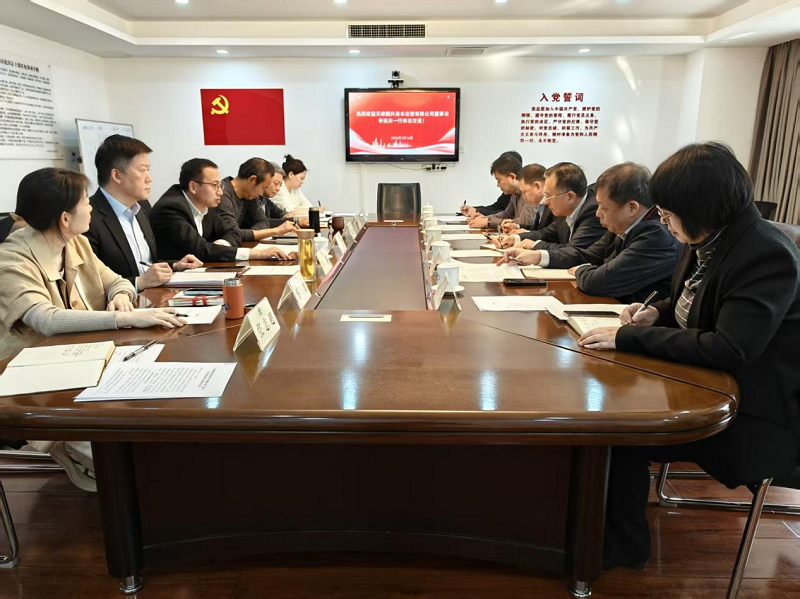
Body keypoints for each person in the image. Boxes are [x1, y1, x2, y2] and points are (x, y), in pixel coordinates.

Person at [576, 143, 800, 570]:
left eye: (667, 212)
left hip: (753, 412)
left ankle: (621, 548)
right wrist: (655, 313)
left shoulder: (764, 253)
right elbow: (695, 304)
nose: (662, 221)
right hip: (705, 383)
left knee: (615, 432)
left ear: (699, 208)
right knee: (609, 406)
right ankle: (591, 524)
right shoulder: (708, 238)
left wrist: (631, 338)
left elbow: (730, 347)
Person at [0, 168, 187, 491]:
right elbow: (46, 319)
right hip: (29, 373)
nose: (91, 208)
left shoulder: (76, 244)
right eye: (85, 202)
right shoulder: (11, 260)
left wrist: (120, 296)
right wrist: (125, 319)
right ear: (64, 218)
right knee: (129, 467)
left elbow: (116, 281)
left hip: (83, 358)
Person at [499, 162, 681, 303]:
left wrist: (583, 269)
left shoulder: (656, 236)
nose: (597, 213)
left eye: (603, 207)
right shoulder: (621, 227)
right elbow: (585, 254)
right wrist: (537, 256)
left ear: (632, 207)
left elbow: (600, 281)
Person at [85, 135, 202, 291]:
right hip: (124, 303)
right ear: (117, 175)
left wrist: (174, 265)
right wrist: (139, 282)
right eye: (142, 170)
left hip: (154, 296)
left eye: (148, 170)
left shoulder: (142, 206)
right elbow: (89, 285)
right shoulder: (88, 217)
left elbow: (145, 263)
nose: (149, 178)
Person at [150, 159, 292, 262]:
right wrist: (256, 254)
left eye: (220, 186)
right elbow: (201, 250)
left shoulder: (205, 205)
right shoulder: (171, 209)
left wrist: (220, 246)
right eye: (215, 185)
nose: (220, 192)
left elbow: (233, 232)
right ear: (193, 187)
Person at [509, 162, 605, 251]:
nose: (546, 201)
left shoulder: (592, 211)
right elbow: (547, 233)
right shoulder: (566, 209)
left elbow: (573, 250)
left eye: (549, 196)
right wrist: (516, 238)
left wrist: (535, 245)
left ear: (570, 197)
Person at [217, 157, 299, 242]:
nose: (261, 194)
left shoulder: (249, 194)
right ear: (252, 180)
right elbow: (232, 233)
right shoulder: (222, 194)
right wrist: (275, 231)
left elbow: (263, 221)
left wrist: (251, 234)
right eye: (263, 188)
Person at [491, 163, 553, 242]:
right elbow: (539, 231)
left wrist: (524, 235)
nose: (523, 197)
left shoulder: (553, 207)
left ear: (537, 186)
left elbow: (550, 236)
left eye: (525, 192)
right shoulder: (541, 205)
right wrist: (518, 227)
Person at [467, 153, 523, 229]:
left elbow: (524, 222)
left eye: (499, 180)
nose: (498, 185)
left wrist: (488, 222)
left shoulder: (528, 193)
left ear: (512, 177)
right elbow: (507, 214)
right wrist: (486, 218)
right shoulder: (515, 193)